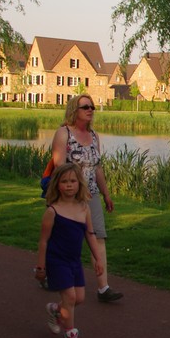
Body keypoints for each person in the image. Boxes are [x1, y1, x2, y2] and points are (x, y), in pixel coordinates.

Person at [51, 94, 123, 302]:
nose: (90, 110)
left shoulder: (94, 136)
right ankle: (48, 271)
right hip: (69, 196)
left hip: (91, 195)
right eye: (85, 107)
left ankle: (103, 288)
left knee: (98, 237)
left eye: (92, 107)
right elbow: (59, 166)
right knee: (64, 240)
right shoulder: (63, 133)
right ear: (74, 110)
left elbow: (97, 167)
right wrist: (76, 188)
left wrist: (106, 194)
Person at [36, 162, 104, 338]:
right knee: (70, 297)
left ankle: (55, 310)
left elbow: (90, 234)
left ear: (79, 184)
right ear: (57, 184)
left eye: (73, 181)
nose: (69, 185)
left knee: (79, 298)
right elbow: (43, 241)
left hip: (74, 261)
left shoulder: (84, 208)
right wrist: (41, 267)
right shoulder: (52, 211)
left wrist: (98, 259)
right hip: (57, 260)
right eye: (64, 181)